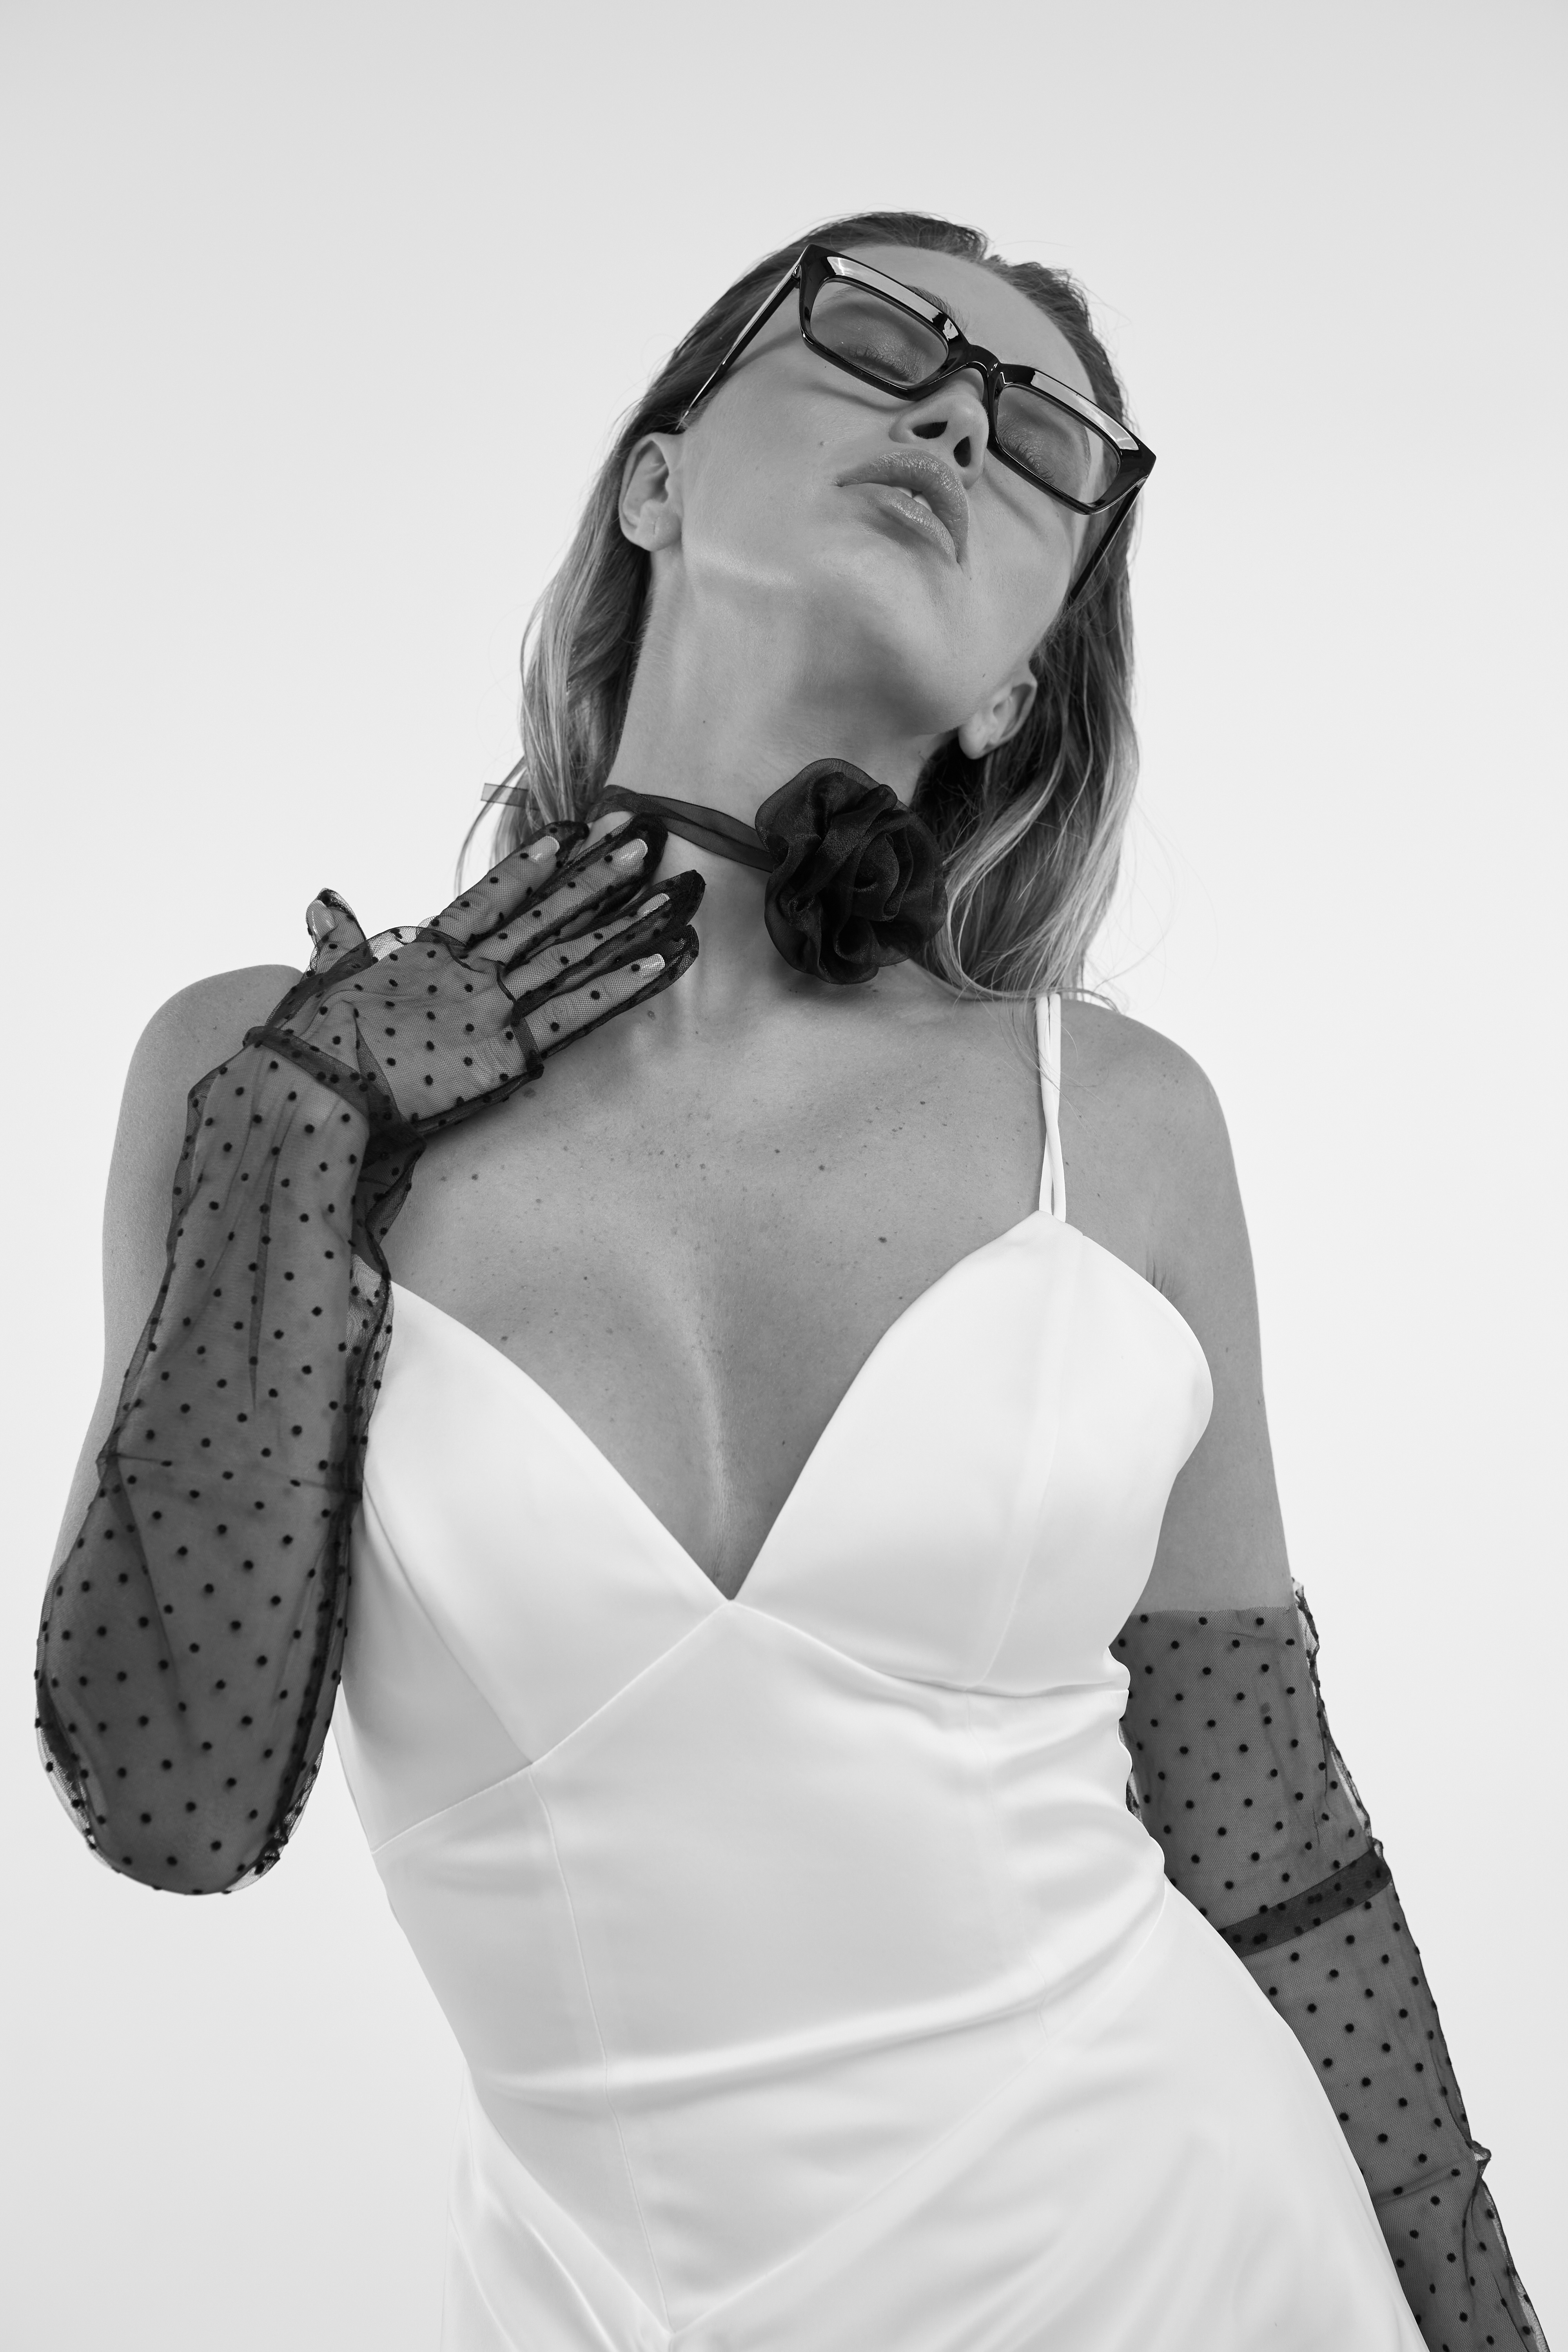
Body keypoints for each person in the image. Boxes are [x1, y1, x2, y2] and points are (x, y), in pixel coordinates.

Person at [36, 211, 1544, 2351]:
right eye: (879, 337)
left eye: (1044, 438)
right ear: (655, 480)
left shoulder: (1113, 1124)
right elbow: (170, 1798)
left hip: (1214, 2268)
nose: (960, 420)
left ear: (1018, 680)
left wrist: (1485, 2325)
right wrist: (300, 1143)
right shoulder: (257, 1078)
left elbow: (1266, 1816)